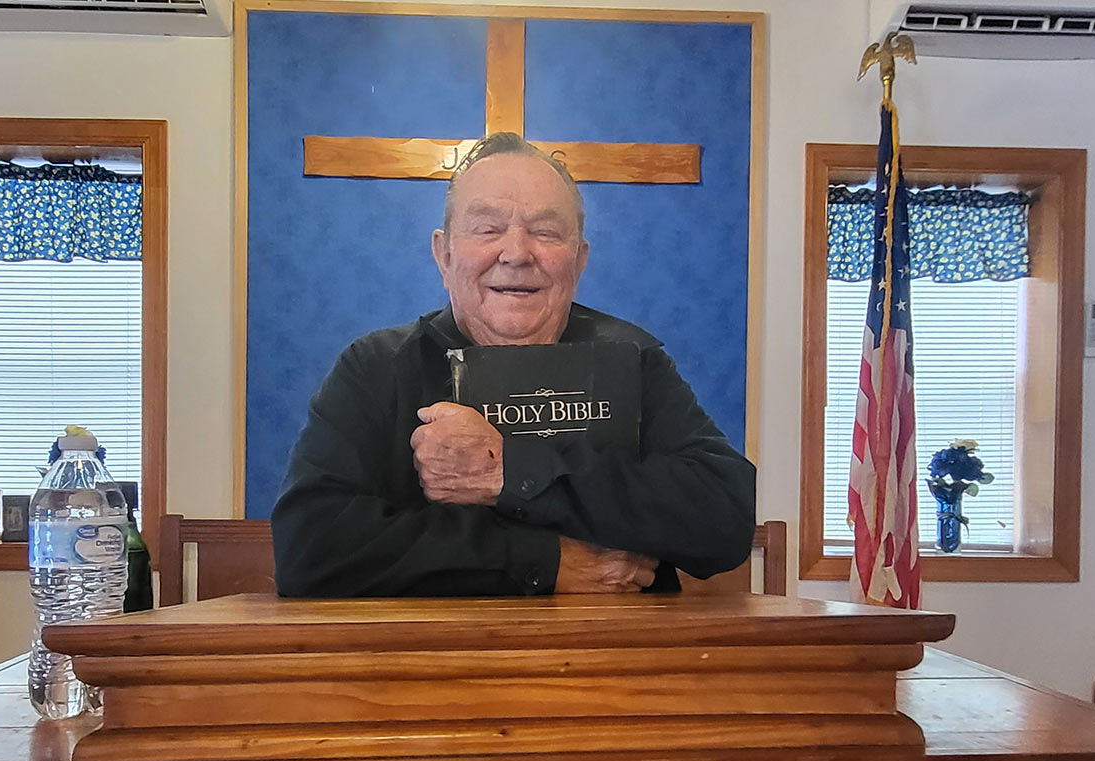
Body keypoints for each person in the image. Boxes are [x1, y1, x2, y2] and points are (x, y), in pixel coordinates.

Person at [272, 133, 756, 597]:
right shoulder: (376, 367)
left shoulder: (634, 359)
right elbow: (310, 547)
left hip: (615, 667)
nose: (517, 253)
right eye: (487, 229)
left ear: (579, 260)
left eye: (546, 232)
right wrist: (545, 561)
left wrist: (508, 472)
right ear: (443, 254)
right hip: (432, 669)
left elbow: (725, 516)